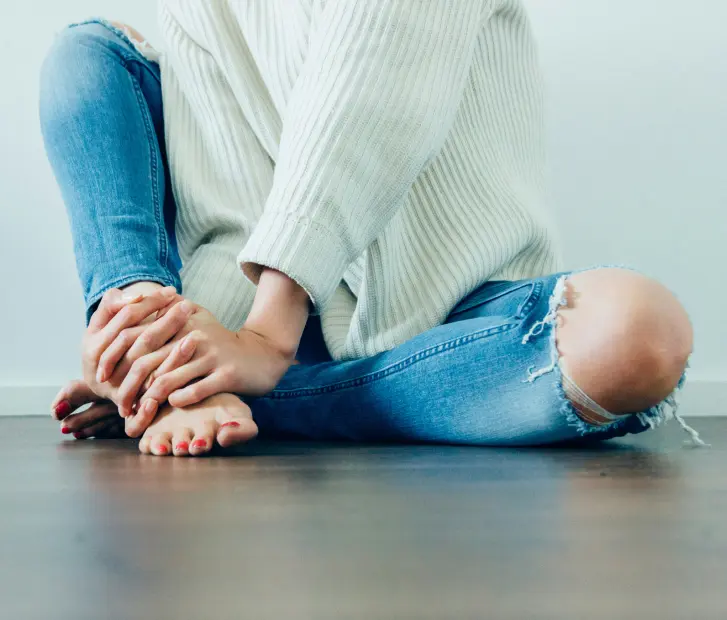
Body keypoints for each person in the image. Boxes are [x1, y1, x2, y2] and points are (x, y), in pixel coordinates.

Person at [38, 1, 702, 458]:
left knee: (637, 332)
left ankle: (253, 399)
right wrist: (191, 344)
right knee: (89, 55)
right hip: (265, 318)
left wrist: (266, 339)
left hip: (449, 313)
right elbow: (229, 200)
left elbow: (365, 100)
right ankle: (143, 354)